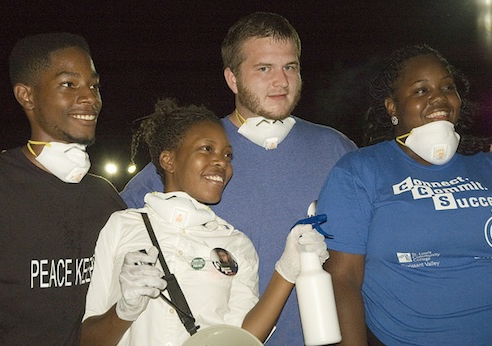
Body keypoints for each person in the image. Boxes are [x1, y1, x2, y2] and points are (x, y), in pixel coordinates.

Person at [119, 12, 357, 344]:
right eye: (264, 69)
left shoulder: (337, 148)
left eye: (290, 66)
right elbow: (122, 230)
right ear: (232, 79)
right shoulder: (199, 154)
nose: (281, 81)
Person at [80, 98, 329, 345]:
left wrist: (287, 270)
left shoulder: (236, 244)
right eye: (206, 149)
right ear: (169, 160)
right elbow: (88, 339)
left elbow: (243, 340)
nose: (222, 161)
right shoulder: (121, 226)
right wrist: (124, 310)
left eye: (228, 154)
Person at [317, 44, 492, 345]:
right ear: (392, 107)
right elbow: (342, 278)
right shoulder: (359, 170)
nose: (439, 96)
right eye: (421, 90)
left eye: (447, 87)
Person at [0, 33, 126, 345]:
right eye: (69, 84)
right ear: (27, 96)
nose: (91, 98)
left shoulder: (106, 197)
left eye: (93, 86)